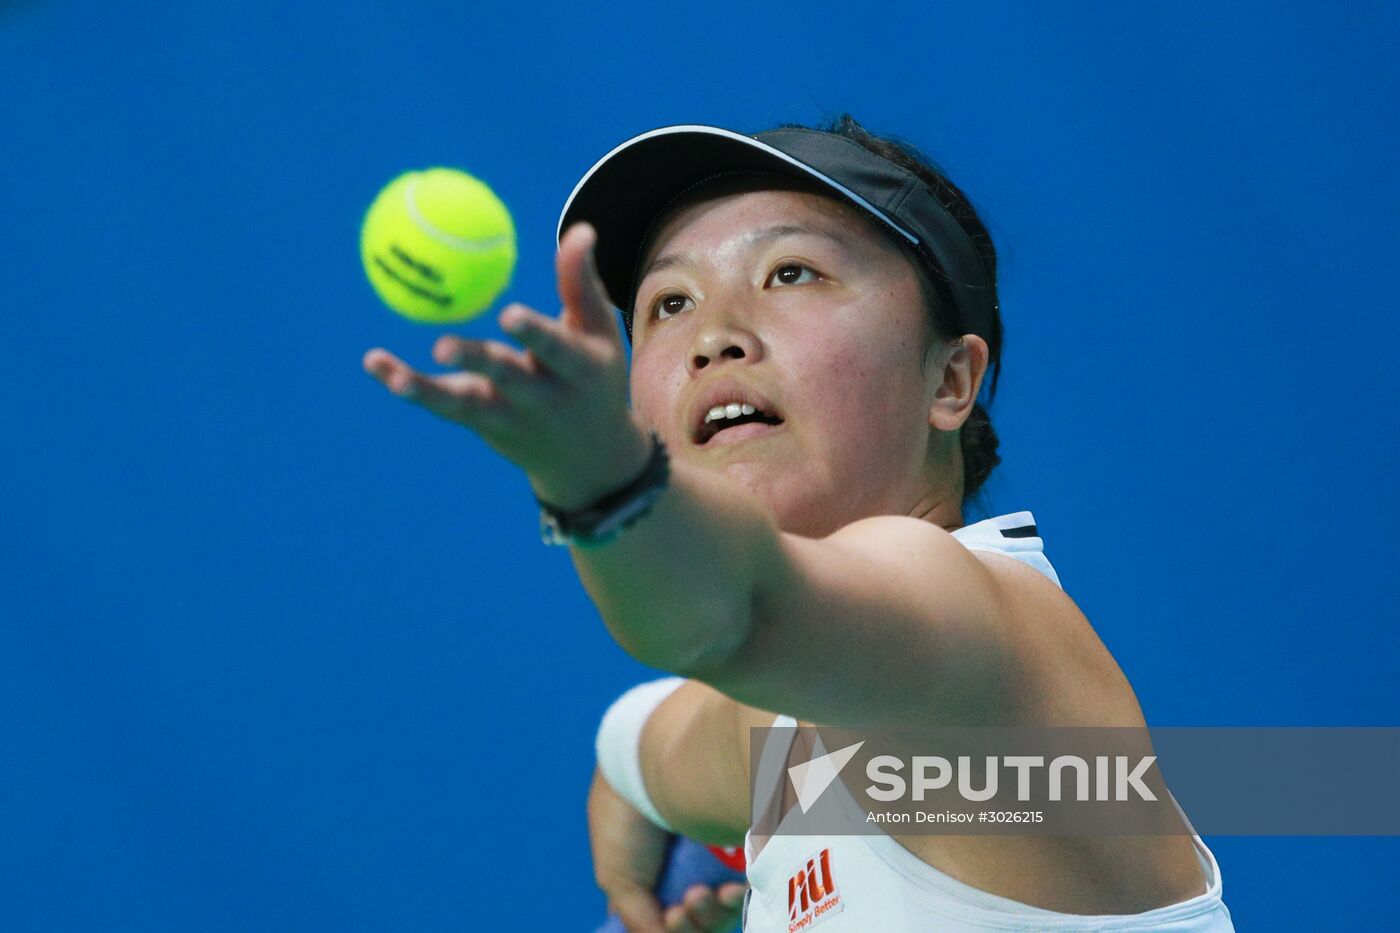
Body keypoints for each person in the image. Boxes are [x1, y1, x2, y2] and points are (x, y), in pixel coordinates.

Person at [363, 115, 1234, 932]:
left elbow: (729, 621)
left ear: (948, 384)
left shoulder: (977, 633)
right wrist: (629, 787)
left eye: (791, 273)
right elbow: (661, 736)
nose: (714, 336)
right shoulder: (775, 726)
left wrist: (596, 479)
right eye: (669, 303)